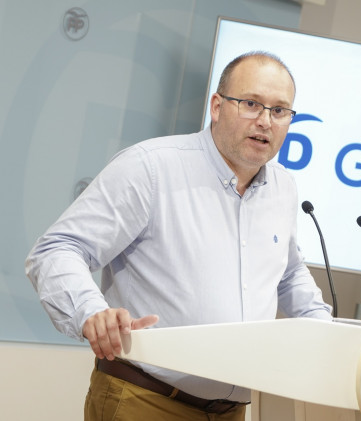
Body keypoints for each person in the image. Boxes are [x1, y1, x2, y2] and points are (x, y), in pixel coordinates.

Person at [25, 51, 333, 421]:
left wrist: (328, 335)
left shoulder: (283, 187)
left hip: (232, 412)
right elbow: (57, 249)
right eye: (251, 104)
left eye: (279, 110)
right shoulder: (152, 167)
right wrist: (91, 311)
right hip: (145, 400)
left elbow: (289, 273)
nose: (265, 121)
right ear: (217, 106)